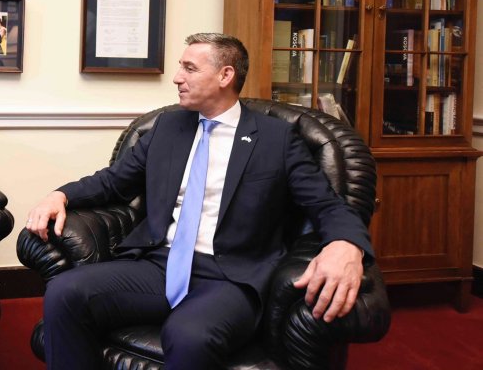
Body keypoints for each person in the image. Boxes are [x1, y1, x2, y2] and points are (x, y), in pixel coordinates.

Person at [26, 33, 372, 369]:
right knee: (64, 292)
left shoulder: (276, 139)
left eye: (189, 68)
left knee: (189, 335)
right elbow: (113, 182)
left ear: (225, 75)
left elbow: (326, 204)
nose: (177, 77)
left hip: (229, 277)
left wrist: (347, 244)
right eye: (181, 67)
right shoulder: (167, 127)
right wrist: (61, 194)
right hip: (159, 265)